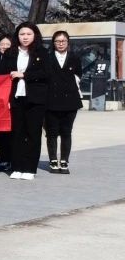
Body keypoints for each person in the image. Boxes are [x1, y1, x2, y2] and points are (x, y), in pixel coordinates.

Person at [3, 23, 50, 180]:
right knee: (17, 133)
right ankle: (17, 167)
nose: (25, 37)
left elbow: (46, 74)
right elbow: (3, 75)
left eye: (28, 34)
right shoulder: (10, 53)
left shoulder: (42, 52)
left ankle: (29, 168)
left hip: (35, 99)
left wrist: (24, 75)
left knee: (33, 134)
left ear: (35, 35)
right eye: (22, 34)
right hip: (16, 99)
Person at [45, 30, 81, 174]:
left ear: (68, 42)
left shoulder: (74, 58)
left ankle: (65, 160)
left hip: (70, 101)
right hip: (51, 101)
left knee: (67, 132)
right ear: (53, 43)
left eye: (63, 41)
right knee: (51, 132)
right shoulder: (47, 58)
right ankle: (53, 160)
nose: (60, 44)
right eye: (57, 41)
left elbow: (79, 75)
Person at [0, 34, 15, 172]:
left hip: (12, 100)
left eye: (7, 44)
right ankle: (4, 160)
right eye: (2, 44)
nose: (5, 47)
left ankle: (13, 159)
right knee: (1, 133)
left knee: (12, 132)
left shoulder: (15, 60)